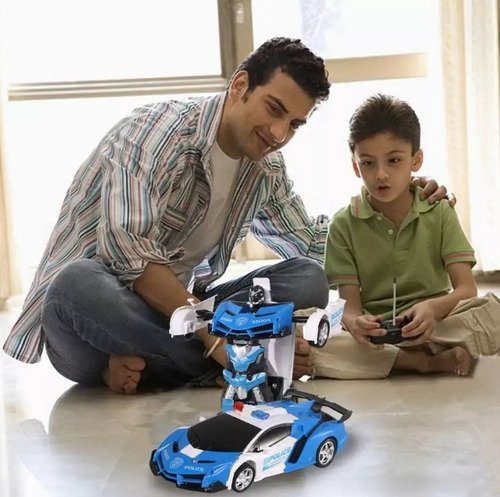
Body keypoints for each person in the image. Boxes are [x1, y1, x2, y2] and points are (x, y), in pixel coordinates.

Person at [3, 39, 449, 394]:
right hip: (95, 316)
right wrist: (216, 340)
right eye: (274, 109)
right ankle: (236, 362)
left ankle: (168, 367)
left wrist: (399, 204)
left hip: (179, 315)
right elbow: (129, 256)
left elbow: (317, 245)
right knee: (77, 284)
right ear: (239, 86)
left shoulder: (264, 167)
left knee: (306, 278)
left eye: (294, 124)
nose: (279, 133)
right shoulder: (151, 135)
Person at [313, 93, 500, 380]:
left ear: (416, 160)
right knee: (310, 335)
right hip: (378, 336)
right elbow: (350, 308)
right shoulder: (343, 224)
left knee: (493, 311)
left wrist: (432, 309)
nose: (381, 174)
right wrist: (356, 322)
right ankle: (421, 361)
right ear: (355, 166)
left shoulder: (439, 210)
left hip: (437, 324)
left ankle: (398, 358)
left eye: (394, 160)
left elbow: (466, 289)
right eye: (368, 163)